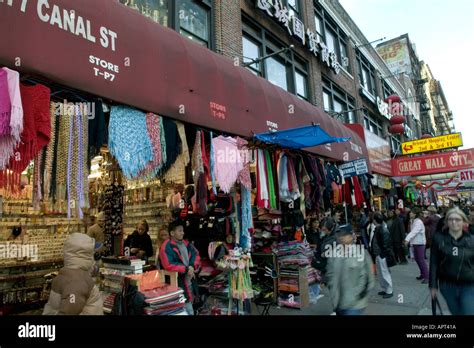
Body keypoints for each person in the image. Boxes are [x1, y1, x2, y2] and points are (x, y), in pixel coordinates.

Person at [43, 233, 103, 315]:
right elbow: (69, 310)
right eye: (92, 253)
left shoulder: (70, 274)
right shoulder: (76, 282)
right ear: (85, 255)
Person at [429, 207, 474, 315]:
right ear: (446, 221)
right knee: (456, 312)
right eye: (450, 219)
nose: (454, 222)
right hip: (447, 285)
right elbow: (434, 262)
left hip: (468, 284)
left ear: (464, 222)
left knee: (468, 312)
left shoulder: (471, 240)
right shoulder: (438, 238)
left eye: (457, 219)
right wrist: (433, 285)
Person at [326, 225, 374, 315]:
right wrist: (333, 292)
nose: (341, 237)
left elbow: (369, 278)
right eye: (339, 235)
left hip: (355, 304)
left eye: (344, 235)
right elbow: (330, 274)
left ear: (351, 236)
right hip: (338, 303)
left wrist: (358, 295)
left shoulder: (361, 253)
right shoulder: (333, 254)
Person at [160, 220, 201, 315]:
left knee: (190, 307)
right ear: (172, 233)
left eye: (182, 230)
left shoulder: (186, 243)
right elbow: (168, 265)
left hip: (190, 282)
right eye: (180, 230)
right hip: (177, 284)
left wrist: (191, 266)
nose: (183, 233)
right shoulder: (166, 246)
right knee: (184, 310)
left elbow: (196, 254)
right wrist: (186, 269)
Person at [371, 213, 394, 298]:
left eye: (373, 219)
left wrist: (382, 254)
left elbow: (386, 244)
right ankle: (385, 289)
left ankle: (389, 290)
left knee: (384, 272)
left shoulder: (382, 230)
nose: (372, 220)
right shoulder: (378, 229)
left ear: (375, 220)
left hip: (381, 255)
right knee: (381, 273)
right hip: (379, 254)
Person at [404, 207, 429, 284]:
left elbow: (414, 232)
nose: (410, 213)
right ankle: (423, 274)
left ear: (415, 214)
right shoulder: (413, 221)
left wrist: (407, 239)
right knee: (418, 260)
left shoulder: (418, 222)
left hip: (420, 243)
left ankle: (427, 277)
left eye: (411, 212)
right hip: (416, 243)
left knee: (421, 260)